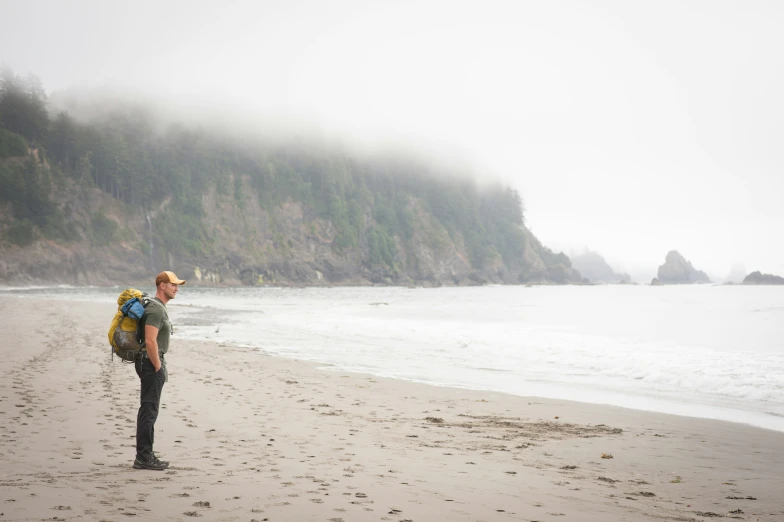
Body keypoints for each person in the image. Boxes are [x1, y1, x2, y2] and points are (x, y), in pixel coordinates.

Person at [133, 270, 185, 470]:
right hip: (150, 362)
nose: (176, 288)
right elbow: (149, 340)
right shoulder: (156, 310)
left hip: (148, 361)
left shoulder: (157, 307)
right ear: (161, 286)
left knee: (148, 409)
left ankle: (146, 454)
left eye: (177, 285)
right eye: (172, 284)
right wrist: (157, 365)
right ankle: (144, 457)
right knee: (149, 410)